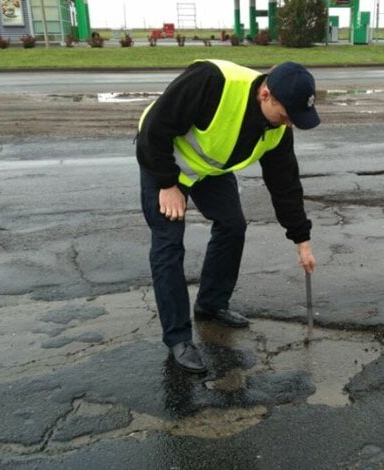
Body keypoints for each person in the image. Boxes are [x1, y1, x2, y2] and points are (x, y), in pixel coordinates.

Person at [136, 59, 320, 373]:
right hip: (162, 158)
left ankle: (211, 304)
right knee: (168, 243)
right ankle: (178, 338)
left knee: (233, 225)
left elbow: (285, 184)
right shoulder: (212, 81)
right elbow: (155, 128)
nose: (289, 124)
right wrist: (167, 183)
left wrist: (301, 239)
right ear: (265, 94)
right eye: (287, 115)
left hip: (209, 169)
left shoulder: (277, 130)